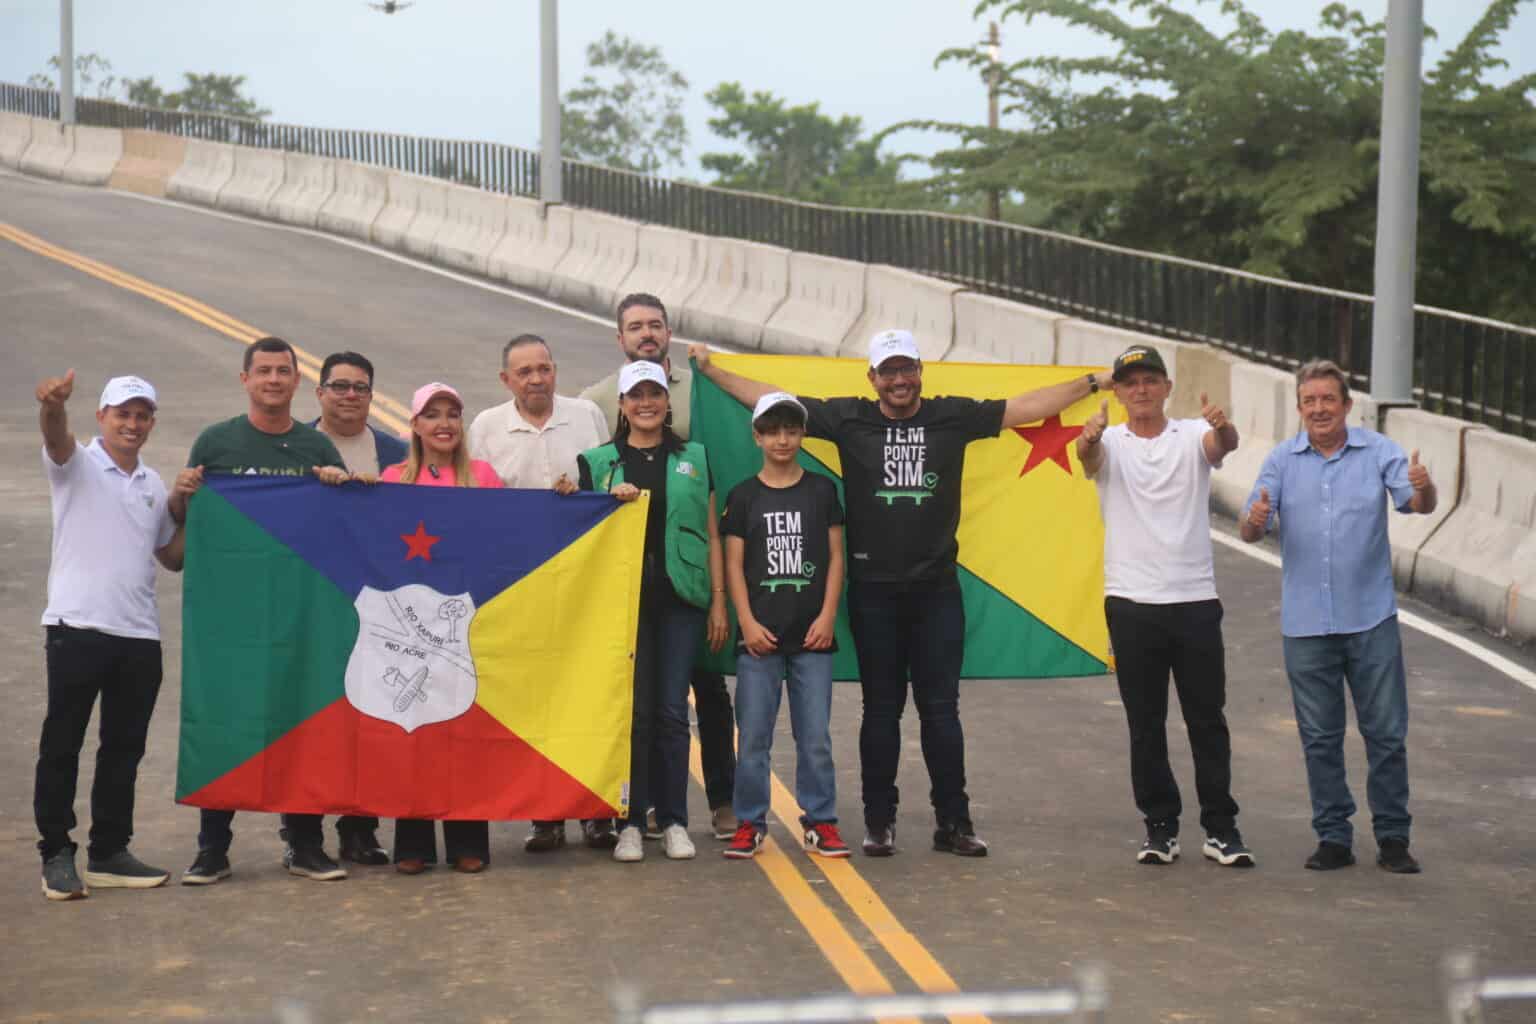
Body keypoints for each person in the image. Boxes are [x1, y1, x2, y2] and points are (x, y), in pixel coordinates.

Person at [693, 329, 1112, 857]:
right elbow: (774, 400)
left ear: (920, 372)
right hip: (874, 594)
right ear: (872, 378)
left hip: (936, 593)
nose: (898, 380)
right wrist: (713, 372)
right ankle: (879, 821)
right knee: (881, 711)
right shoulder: (849, 418)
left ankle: (954, 823)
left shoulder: (951, 416)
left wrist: (1093, 382)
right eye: (888, 371)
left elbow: (1023, 408)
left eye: (906, 369)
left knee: (941, 712)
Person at [171, 336, 355, 886]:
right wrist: (181, 494)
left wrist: (338, 486)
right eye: (264, 371)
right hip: (231, 615)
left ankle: (304, 843)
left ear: (297, 381)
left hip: (301, 613)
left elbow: (341, 533)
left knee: (303, 720)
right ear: (245, 380)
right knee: (225, 718)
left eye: (283, 371)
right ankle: (212, 849)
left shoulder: (316, 447)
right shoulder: (216, 442)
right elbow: (187, 526)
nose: (273, 380)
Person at [1241, 359, 1436, 874]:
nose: (1320, 408)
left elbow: (1417, 503)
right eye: (1310, 401)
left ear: (1347, 405)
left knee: (1386, 735)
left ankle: (1393, 837)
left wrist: (1424, 485)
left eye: (1329, 399)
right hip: (1306, 626)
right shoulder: (1282, 461)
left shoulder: (1379, 452)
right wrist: (1255, 520)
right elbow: (1250, 527)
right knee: (1320, 739)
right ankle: (1333, 837)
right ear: (1299, 408)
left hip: (1371, 620)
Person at [1077, 345, 1253, 868]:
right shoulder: (1110, 440)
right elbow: (1089, 460)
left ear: (1166, 388)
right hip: (1131, 603)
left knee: (1207, 720)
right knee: (1145, 723)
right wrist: (1089, 438)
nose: (1141, 390)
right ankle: (1160, 827)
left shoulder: (1190, 435)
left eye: (1150, 380)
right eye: (1130, 382)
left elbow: (1221, 446)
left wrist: (1224, 428)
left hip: (1194, 600)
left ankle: (1221, 828)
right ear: (1119, 391)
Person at [580, 293, 738, 842]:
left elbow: (713, 525)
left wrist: (718, 600)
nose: (645, 403)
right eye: (635, 326)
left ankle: (708, 805)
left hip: (686, 593)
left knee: (693, 703)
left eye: (655, 325)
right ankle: (632, 813)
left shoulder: (701, 403)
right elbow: (581, 517)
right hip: (625, 599)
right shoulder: (596, 419)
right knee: (637, 711)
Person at [33, 371, 185, 901]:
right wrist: (53, 405)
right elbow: (55, 436)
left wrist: (191, 508)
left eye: (142, 415)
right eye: (123, 413)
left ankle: (109, 853)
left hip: (139, 635)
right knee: (62, 745)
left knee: (123, 750)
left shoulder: (152, 484)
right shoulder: (75, 464)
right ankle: (56, 853)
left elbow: (173, 557)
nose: (132, 424)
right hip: (77, 627)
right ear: (102, 416)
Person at [469, 333, 616, 852]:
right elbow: (476, 502)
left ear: (555, 370)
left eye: (544, 368)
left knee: (589, 694)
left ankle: (597, 811)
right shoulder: (486, 428)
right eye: (525, 372)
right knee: (535, 702)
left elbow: (607, 481)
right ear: (506, 380)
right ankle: (546, 814)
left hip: (585, 580)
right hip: (520, 586)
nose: (536, 379)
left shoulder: (587, 417)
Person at [719, 393, 848, 860]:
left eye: (791, 431)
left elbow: (836, 557)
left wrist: (828, 616)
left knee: (814, 738)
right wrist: (747, 623)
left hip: (812, 638)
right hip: (759, 641)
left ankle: (821, 820)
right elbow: (734, 565)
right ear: (757, 437)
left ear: (802, 436)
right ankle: (749, 822)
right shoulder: (743, 496)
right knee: (753, 737)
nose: (782, 440)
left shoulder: (821, 491)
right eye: (772, 431)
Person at [382, 382, 501, 873]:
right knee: (414, 733)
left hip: (466, 622)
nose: (444, 423)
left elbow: (514, 535)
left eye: (452, 413)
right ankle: (412, 844)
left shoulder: (484, 477)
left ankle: (468, 840)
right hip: (411, 624)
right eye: (432, 414)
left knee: (463, 730)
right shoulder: (393, 479)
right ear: (414, 425)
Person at [309, 350, 407, 866]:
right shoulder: (298, 447)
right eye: (340, 386)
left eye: (360, 388)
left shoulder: (396, 454)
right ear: (319, 392)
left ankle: (360, 830)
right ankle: (301, 832)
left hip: (377, 606)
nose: (350, 395)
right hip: (313, 600)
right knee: (312, 720)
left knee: (369, 719)